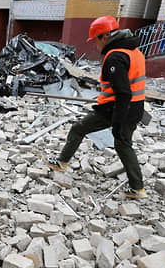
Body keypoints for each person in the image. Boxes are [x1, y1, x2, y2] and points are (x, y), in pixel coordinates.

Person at [48, 16, 147, 199]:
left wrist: (116, 123)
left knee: (79, 129)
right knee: (123, 144)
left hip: (117, 108)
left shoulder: (115, 57)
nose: (95, 45)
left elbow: (123, 93)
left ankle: (61, 163)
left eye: (95, 40)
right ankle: (137, 187)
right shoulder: (135, 51)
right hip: (135, 107)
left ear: (104, 37)